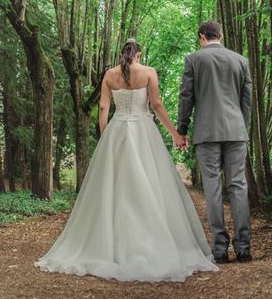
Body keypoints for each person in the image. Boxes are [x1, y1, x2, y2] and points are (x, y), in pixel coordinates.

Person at [35, 39, 218, 282]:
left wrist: (104, 136)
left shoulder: (110, 75)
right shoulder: (148, 72)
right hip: (143, 132)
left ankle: (110, 242)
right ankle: (151, 240)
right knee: (149, 184)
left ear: (123, 53)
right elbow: (157, 105)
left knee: (115, 186)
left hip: (117, 131)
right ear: (139, 55)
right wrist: (175, 134)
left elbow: (103, 108)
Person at [177, 20, 252, 263]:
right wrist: (242, 126)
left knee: (213, 189)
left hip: (206, 133)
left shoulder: (194, 60)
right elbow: (246, 99)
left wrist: (182, 128)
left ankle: (220, 249)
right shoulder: (241, 61)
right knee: (238, 187)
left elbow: (186, 96)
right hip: (235, 131)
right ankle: (243, 247)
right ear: (220, 35)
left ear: (202, 36)